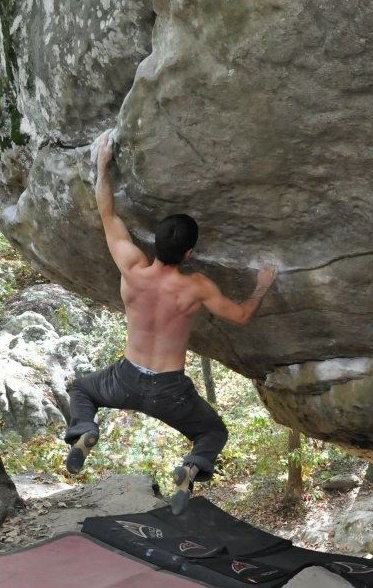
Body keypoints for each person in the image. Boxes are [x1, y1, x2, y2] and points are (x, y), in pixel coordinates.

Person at [64, 131, 277, 514]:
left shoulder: (132, 268)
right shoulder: (196, 287)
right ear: (189, 253)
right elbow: (242, 316)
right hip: (169, 390)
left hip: (125, 379)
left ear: (154, 243)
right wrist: (261, 286)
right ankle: (190, 469)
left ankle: (85, 432)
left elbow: (108, 215)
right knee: (212, 431)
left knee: (81, 389)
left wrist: (102, 164)